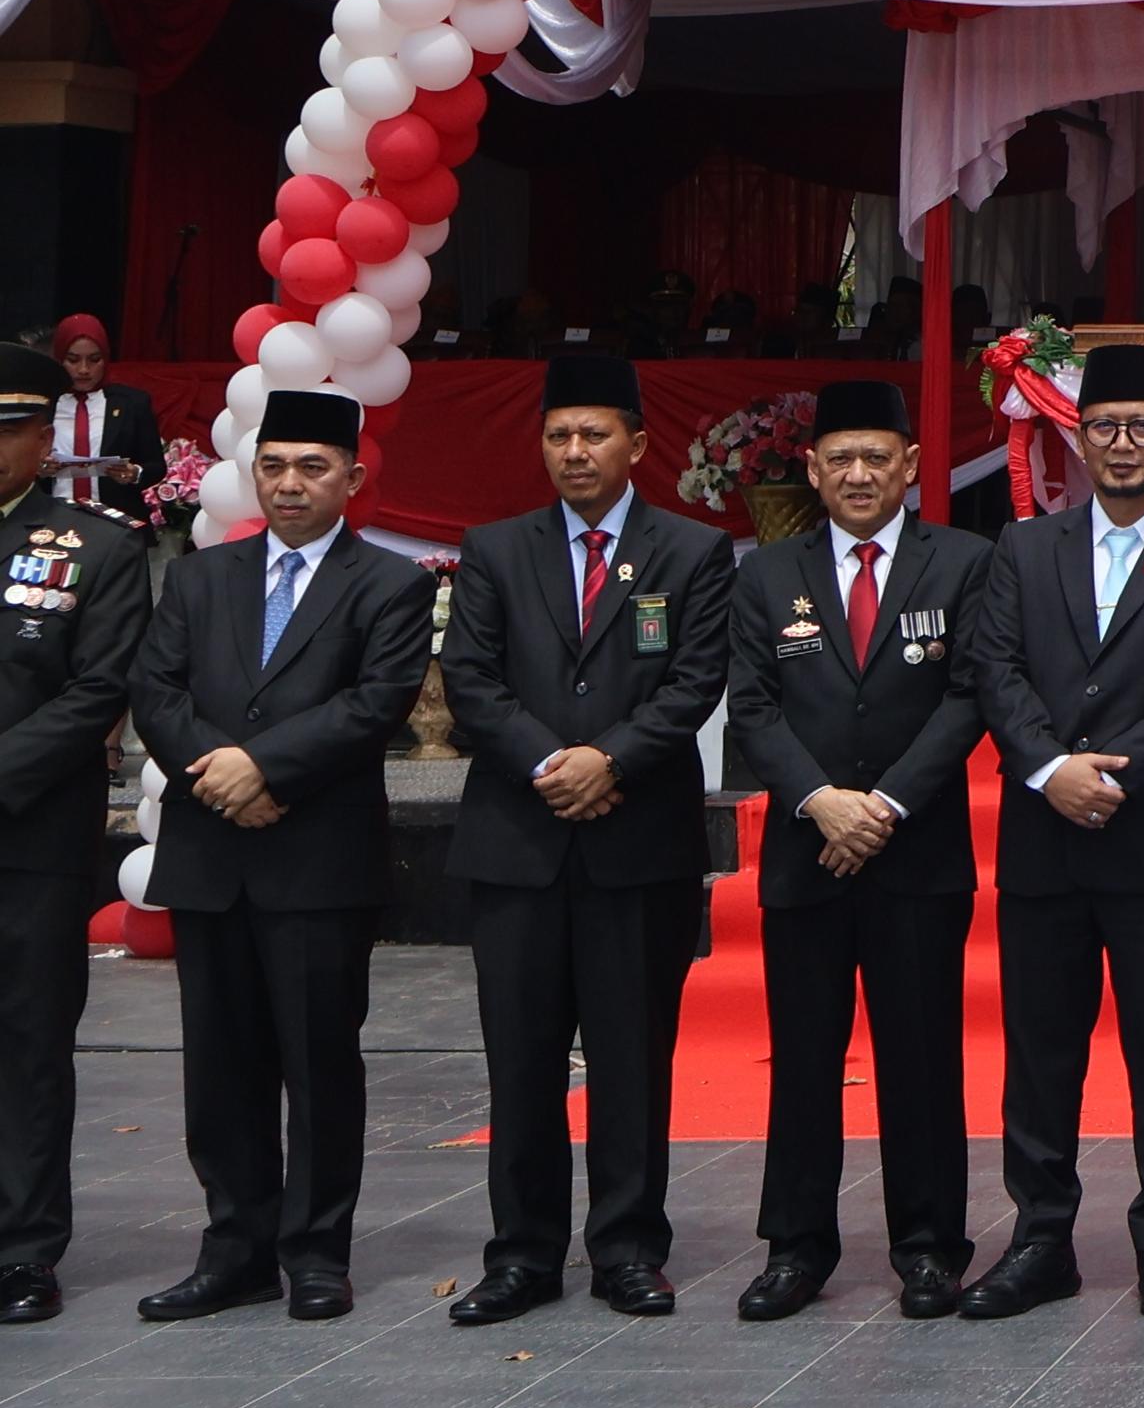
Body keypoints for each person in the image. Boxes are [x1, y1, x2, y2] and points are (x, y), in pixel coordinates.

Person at [964, 343, 1144, 1320]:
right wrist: (1049, 768)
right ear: (1078, 438)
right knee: (1039, 1050)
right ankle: (1040, 1238)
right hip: (1044, 837)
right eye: (1104, 426)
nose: (1123, 443)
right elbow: (995, 668)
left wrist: (1115, 774)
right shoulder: (1023, 548)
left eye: (1143, 426)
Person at [438, 351, 735, 1322]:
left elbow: (694, 681)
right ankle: (522, 1255)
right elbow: (470, 678)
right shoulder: (495, 548)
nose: (574, 451)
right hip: (517, 843)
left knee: (631, 1057)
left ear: (636, 445)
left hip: (638, 841)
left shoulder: (691, 550)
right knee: (520, 1059)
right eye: (559, 434)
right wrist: (548, 762)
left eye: (593, 434)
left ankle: (628, 1248)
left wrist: (609, 760)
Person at [126, 389, 429, 1322]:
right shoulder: (201, 576)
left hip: (316, 856)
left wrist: (262, 767)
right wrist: (218, 774)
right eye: (273, 466)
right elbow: (156, 689)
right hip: (211, 851)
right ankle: (236, 1249)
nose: (290, 483)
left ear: (353, 477)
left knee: (319, 1060)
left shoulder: (389, 582)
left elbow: (375, 703)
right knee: (220, 1067)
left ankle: (317, 1252)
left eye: (311, 466)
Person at [721, 378, 993, 1322]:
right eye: (840, 458)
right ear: (812, 469)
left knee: (922, 1055)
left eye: (878, 456)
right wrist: (822, 802)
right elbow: (752, 706)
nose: (860, 473)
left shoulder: (963, 563)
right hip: (808, 853)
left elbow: (969, 696)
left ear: (911, 465)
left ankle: (930, 1247)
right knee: (804, 1057)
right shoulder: (766, 573)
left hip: (917, 852)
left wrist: (881, 806)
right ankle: (795, 1247)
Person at [0, 342, 150, 1323]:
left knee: (26, 1041)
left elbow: (100, 687)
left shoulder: (96, 547)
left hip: (31, 835)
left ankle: (22, 1250)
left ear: (43, 438)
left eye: (11, 428)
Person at [48, 318, 162, 528]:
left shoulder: (132, 403)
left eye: (94, 360)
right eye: (73, 360)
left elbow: (156, 466)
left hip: (114, 522)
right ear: (59, 359)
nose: (84, 369)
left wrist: (134, 473)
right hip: (52, 519)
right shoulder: (44, 404)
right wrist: (38, 470)